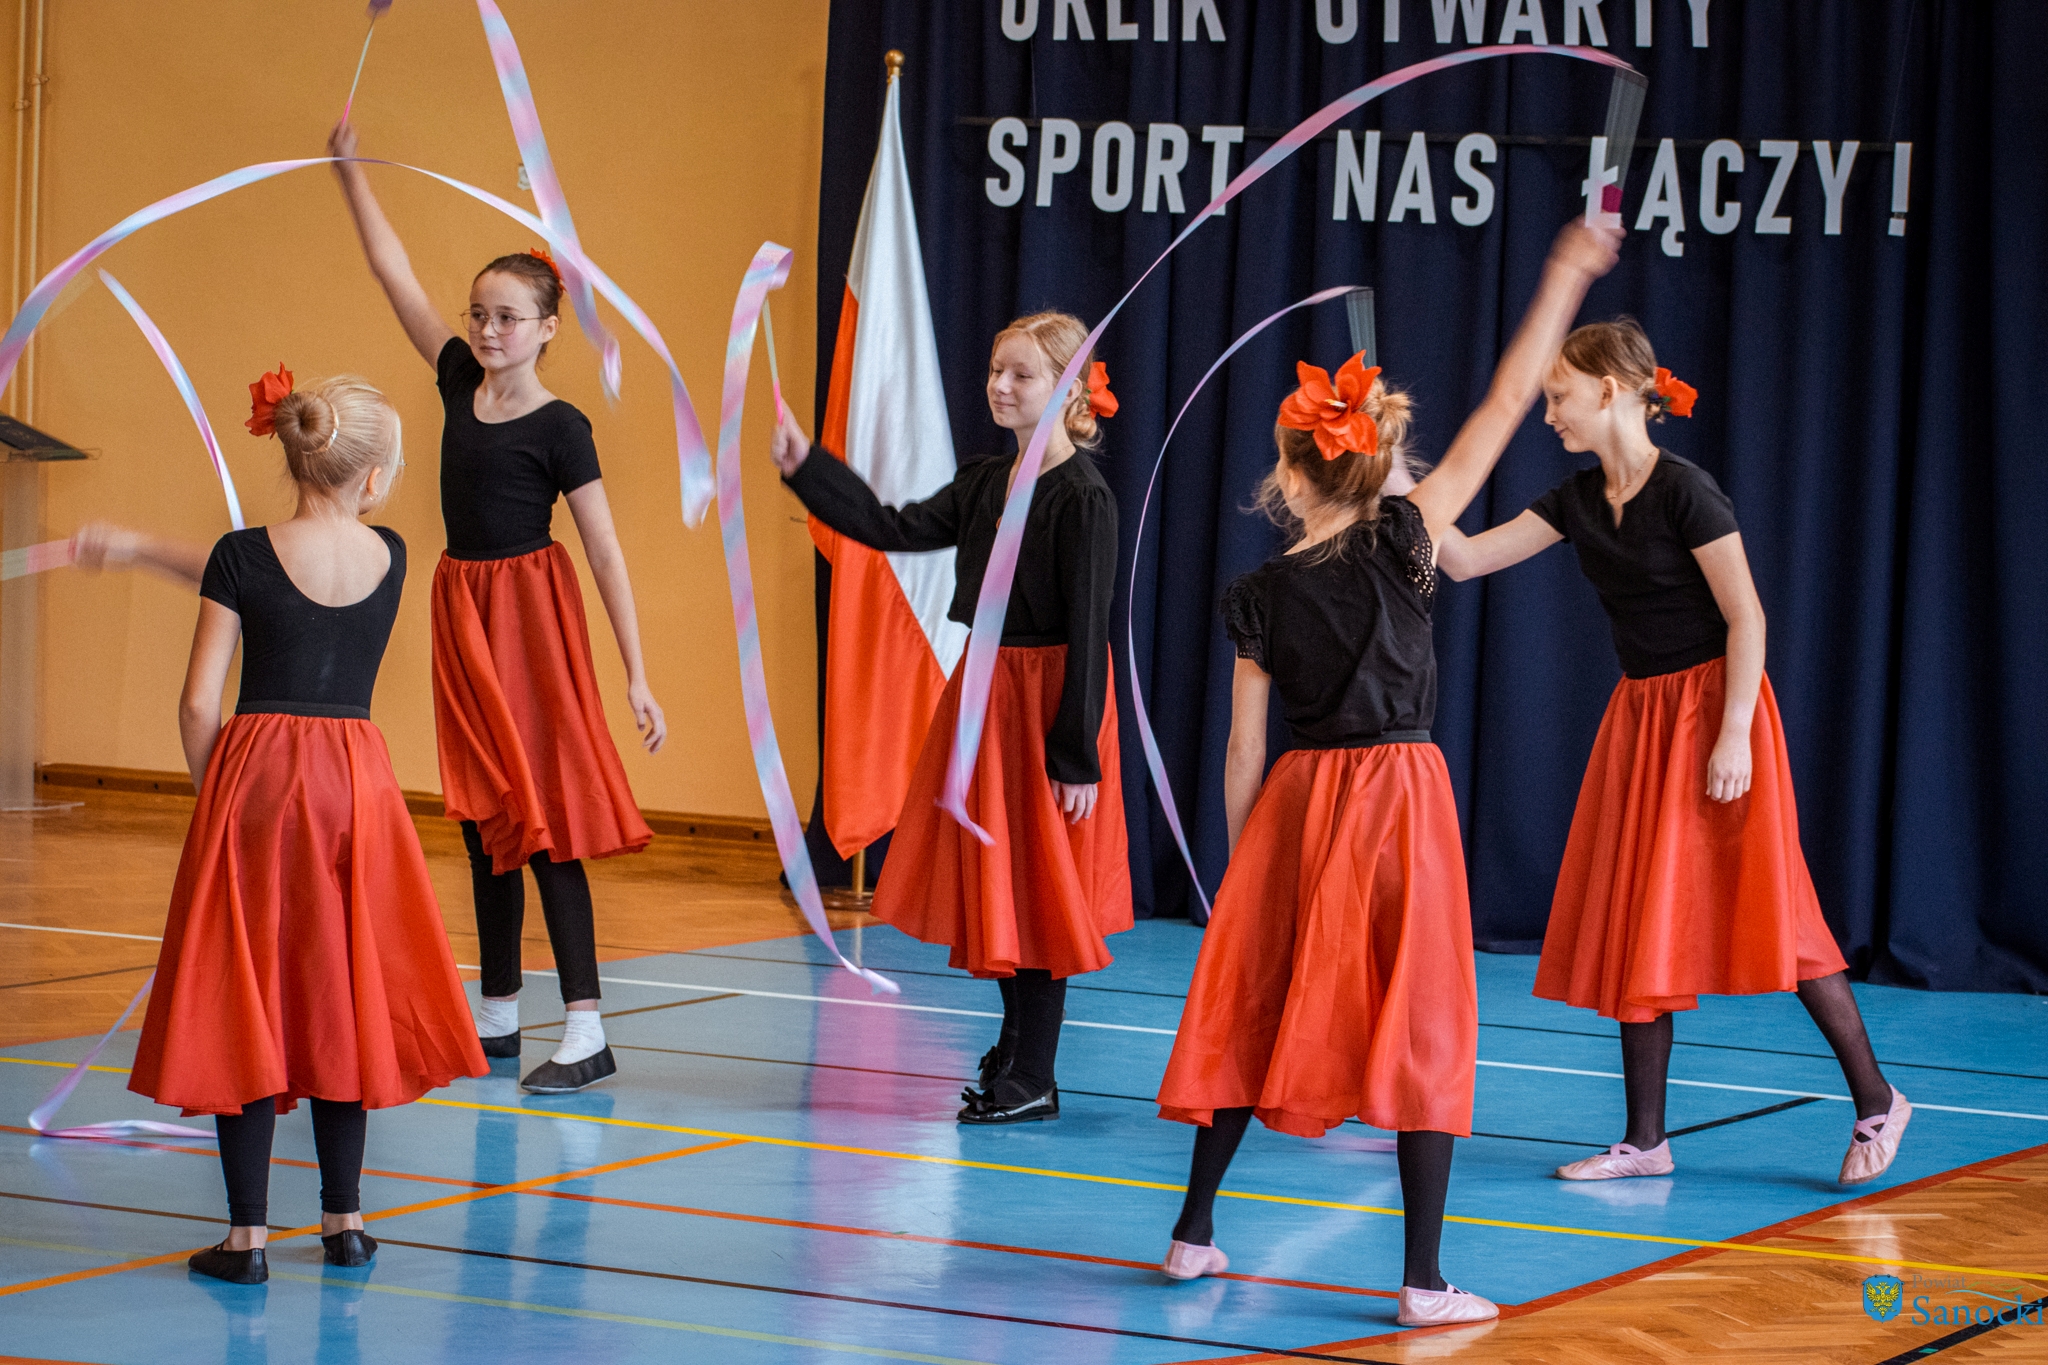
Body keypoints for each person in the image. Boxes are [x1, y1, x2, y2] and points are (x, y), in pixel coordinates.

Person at [1156, 222, 1618, 1326]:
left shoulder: (1257, 591)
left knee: (1256, 1005)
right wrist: (1563, 270)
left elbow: (1242, 748)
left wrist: (1245, 864)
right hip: (1398, 798)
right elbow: (1506, 402)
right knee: (1424, 1018)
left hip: (1295, 806)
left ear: (1288, 471)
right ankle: (1420, 1281)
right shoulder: (1408, 536)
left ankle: (1190, 1234)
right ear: (1372, 460)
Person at [1435, 318, 1908, 1186]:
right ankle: (1646, 1141)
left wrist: (1733, 733)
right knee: (1638, 914)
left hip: (1720, 709)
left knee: (1782, 915)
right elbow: (1462, 559)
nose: (1550, 414)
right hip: (1643, 719)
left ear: (1610, 390)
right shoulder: (1576, 499)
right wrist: (1397, 482)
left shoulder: (1687, 490)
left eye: (1559, 397)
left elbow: (1746, 617)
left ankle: (1878, 1099)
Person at [127, 371, 486, 1285]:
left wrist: (217, 792)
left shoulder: (240, 557)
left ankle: (246, 1238)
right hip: (356, 781)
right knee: (341, 988)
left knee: (242, 989)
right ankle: (345, 1222)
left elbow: (197, 702)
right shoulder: (391, 553)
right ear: (373, 476)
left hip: (257, 776)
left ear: (292, 453)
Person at [329, 121, 666, 1094]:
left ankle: (587, 1027)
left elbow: (603, 550)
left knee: (543, 814)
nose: (486, 330)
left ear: (548, 327)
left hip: (530, 617)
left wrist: (636, 671)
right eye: (478, 314)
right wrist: (353, 177)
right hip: (463, 610)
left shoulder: (562, 427)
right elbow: (393, 274)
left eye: (507, 317)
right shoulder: (453, 383)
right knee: (485, 818)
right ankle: (501, 1013)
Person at [769, 312, 1130, 1125]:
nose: (1001, 385)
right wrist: (808, 467)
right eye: (996, 370)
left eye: (1022, 374)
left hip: (1046, 704)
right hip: (988, 696)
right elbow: (892, 527)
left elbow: (1089, 629)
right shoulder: (983, 481)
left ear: (1066, 388)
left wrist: (1075, 754)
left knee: (1038, 891)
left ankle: (1033, 1073)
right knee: (1000, 881)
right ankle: (1017, 1049)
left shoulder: (1083, 498)